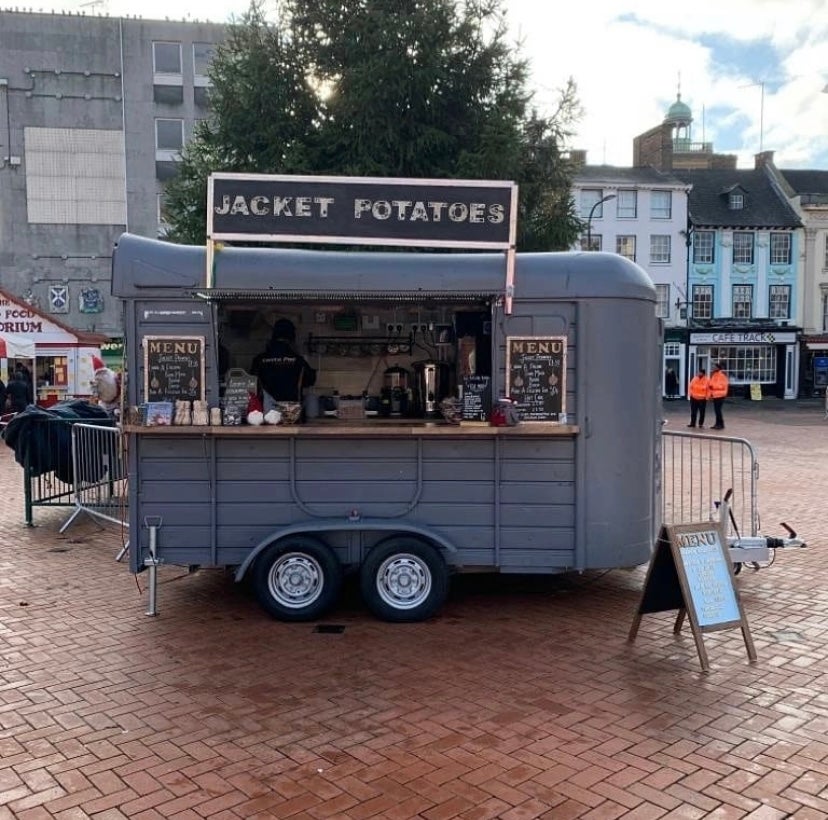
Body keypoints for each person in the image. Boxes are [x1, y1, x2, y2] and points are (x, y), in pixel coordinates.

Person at [251, 318, 316, 410]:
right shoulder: (298, 360)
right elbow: (310, 380)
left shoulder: (259, 360)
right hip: (292, 413)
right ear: (292, 336)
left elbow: (252, 384)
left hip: (266, 411)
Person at [709, 361, 729, 429]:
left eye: (714, 367)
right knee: (717, 410)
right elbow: (711, 383)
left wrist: (713, 386)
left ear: (718, 368)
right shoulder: (714, 375)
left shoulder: (722, 376)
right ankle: (717, 424)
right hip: (715, 395)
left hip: (720, 395)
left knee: (718, 410)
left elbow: (722, 386)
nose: (713, 368)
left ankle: (721, 424)